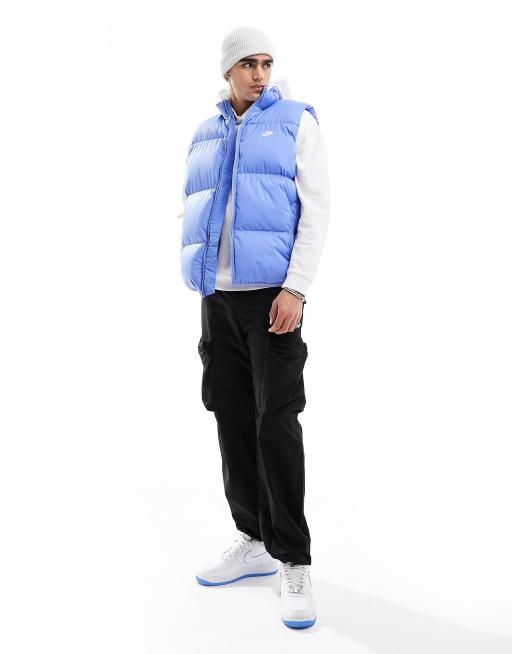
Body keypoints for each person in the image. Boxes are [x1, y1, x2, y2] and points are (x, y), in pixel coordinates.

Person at [178, 26, 330, 629]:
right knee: (232, 417)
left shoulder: (296, 122)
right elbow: (197, 205)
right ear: (228, 71)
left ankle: (293, 559)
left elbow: (317, 208)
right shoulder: (206, 131)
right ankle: (253, 540)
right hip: (218, 299)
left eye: (266, 63)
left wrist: (296, 288)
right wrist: (200, 275)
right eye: (248, 64)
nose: (259, 73)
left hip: (273, 299)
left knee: (277, 422)